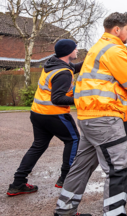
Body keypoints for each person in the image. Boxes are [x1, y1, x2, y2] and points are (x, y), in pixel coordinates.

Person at [53, 12, 127, 216]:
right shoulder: (114, 49)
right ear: (117, 30)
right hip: (104, 117)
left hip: (88, 116)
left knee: (82, 165)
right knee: (119, 166)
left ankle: (64, 211)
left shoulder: (97, 49)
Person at [6, 39, 82, 196]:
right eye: (76, 49)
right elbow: (58, 98)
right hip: (54, 114)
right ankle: (65, 178)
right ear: (69, 52)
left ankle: (18, 182)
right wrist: (81, 100)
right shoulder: (63, 73)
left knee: (38, 146)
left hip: (37, 113)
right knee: (73, 140)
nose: (77, 51)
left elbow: (74, 67)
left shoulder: (53, 64)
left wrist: (92, 61)